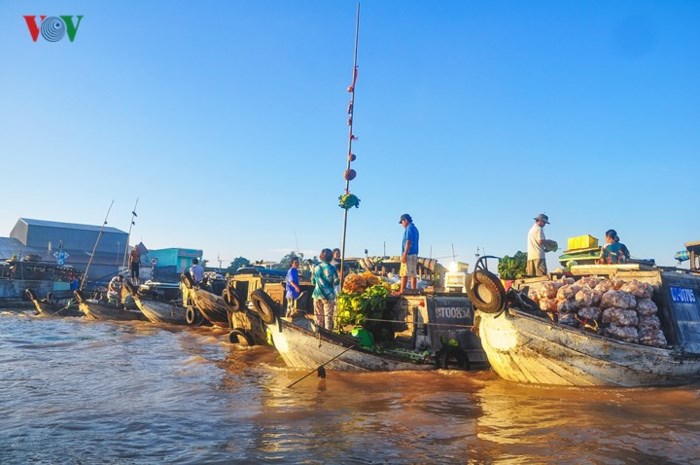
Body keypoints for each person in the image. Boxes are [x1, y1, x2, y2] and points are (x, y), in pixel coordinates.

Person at [311, 248, 340, 331]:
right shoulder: (332, 268)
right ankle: (328, 336)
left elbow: (313, 282)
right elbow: (336, 282)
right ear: (331, 257)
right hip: (328, 296)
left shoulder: (316, 268)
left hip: (317, 295)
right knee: (328, 318)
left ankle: (318, 334)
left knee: (318, 318)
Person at [398, 213, 419, 294]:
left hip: (409, 253)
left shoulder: (409, 228)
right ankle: (414, 290)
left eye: (402, 222)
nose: (402, 224)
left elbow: (408, 241)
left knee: (404, 272)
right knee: (413, 273)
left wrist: (404, 255)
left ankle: (402, 290)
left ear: (405, 220)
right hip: (415, 253)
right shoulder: (415, 229)